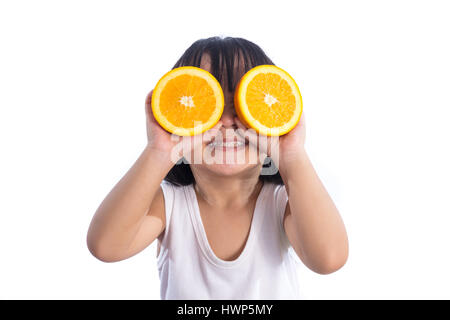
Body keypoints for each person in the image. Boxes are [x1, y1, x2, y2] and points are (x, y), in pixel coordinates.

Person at [86, 36, 349, 299]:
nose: (225, 121)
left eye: (242, 106)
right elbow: (106, 247)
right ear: (177, 119)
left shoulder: (283, 205)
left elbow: (329, 259)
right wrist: (159, 152)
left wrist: (292, 156)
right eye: (207, 105)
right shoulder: (169, 206)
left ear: (271, 116)